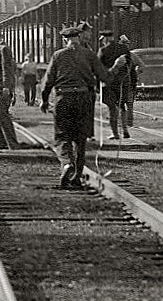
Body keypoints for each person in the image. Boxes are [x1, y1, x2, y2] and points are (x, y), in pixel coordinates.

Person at [41, 25, 112, 189]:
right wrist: (117, 66)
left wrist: (44, 100)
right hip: (83, 99)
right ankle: (76, 177)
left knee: (62, 137)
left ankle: (67, 164)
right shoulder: (89, 55)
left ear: (65, 39)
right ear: (78, 38)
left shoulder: (58, 55)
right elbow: (104, 76)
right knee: (80, 140)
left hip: (63, 99)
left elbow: (48, 80)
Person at [0, 27, 19, 150]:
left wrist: (7, 86)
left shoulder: (3, 49)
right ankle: (2, 143)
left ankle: (12, 144)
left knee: (3, 115)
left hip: (1, 88)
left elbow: (6, 69)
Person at [97, 30, 130, 140]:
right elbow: (129, 65)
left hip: (108, 83)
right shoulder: (124, 48)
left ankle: (115, 133)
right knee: (122, 105)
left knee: (112, 108)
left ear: (105, 38)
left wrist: (98, 86)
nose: (101, 41)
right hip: (122, 82)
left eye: (102, 39)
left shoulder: (103, 51)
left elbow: (98, 69)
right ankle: (125, 130)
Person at [120, 34, 138, 127]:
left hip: (126, 84)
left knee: (124, 104)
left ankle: (126, 124)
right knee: (127, 104)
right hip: (125, 83)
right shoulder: (131, 55)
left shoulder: (131, 56)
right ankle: (127, 123)